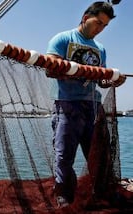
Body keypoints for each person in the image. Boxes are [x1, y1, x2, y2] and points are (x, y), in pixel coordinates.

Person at [46, 1, 126, 208]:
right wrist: (80, 70)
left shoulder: (100, 49)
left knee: (99, 155)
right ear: (84, 18)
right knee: (64, 155)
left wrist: (113, 80)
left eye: (104, 26)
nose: (100, 29)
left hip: (93, 108)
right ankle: (64, 195)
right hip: (67, 106)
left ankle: (103, 192)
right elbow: (49, 67)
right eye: (98, 23)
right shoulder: (63, 38)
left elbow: (102, 81)